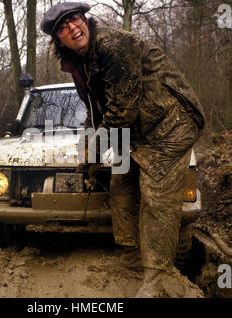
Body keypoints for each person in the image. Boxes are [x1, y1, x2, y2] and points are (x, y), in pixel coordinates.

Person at [41, 2, 205, 297]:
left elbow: (120, 112)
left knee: (157, 196)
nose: (73, 28)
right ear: (58, 40)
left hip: (171, 121)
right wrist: (87, 156)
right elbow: (96, 111)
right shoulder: (79, 64)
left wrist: (92, 155)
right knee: (121, 186)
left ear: (85, 19)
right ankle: (132, 259)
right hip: (137, 129)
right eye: (63, 27)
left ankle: (158, 277)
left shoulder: (112, 45)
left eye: (75, 19)